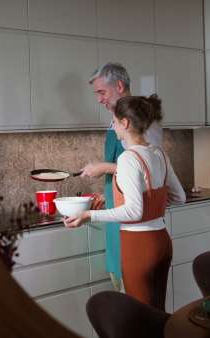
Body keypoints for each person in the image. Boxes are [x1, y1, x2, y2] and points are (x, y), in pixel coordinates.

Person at [65, 95, 185, 310]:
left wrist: (88, 215)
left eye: (114, 121)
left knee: (140, 318)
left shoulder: (129, 158)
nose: (113, 127)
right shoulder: (158, 154)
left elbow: (133, 212)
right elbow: (179, 198)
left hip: (139, 243)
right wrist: (151, 197)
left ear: (125, 123)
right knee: (158, 312)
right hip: (162, 241)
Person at [80, 62, 163, 294]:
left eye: (101, 92)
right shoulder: (116, 116)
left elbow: (151, 165)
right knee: (121, 282)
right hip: (118, 210)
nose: (98, 99)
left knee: (134, 291)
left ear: (119, 86)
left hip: (135, 220)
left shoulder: (143, 118)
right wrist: (112, 194)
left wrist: (106, 167)